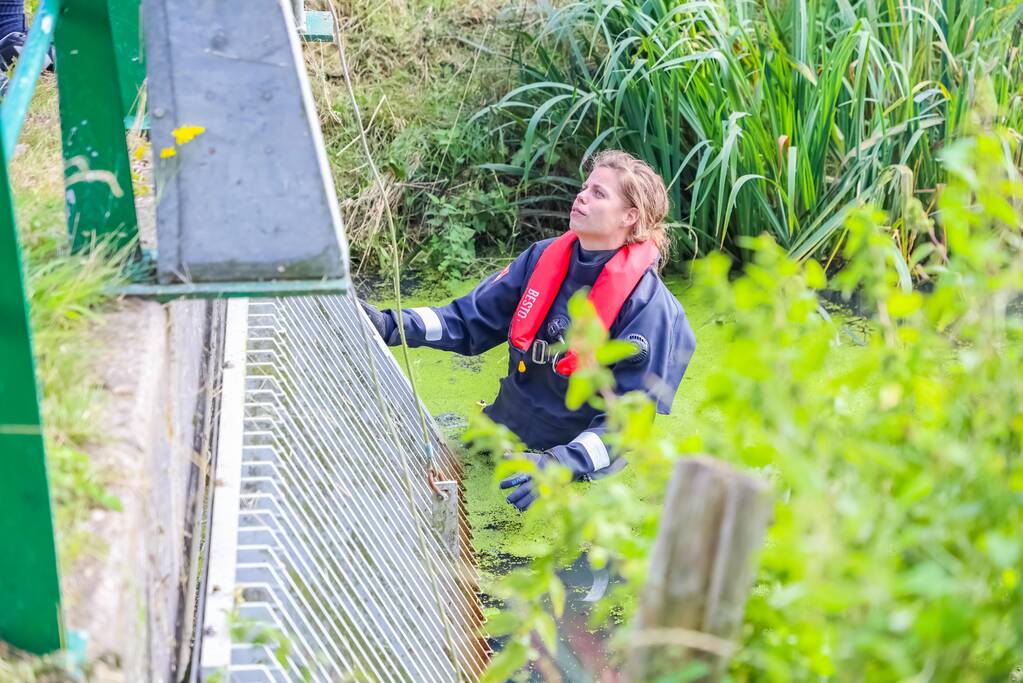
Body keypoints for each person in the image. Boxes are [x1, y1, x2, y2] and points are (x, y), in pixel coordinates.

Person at [361, 150, 696, 511]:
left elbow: (625, 426)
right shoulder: (542, 258)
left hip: (566, 482)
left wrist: (558, 465)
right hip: (496, 440)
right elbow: (466, 321)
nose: (581, 195)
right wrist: (391, 325)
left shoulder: (649, 308)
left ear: (630, 217)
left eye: (599, 193)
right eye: (585, 187)